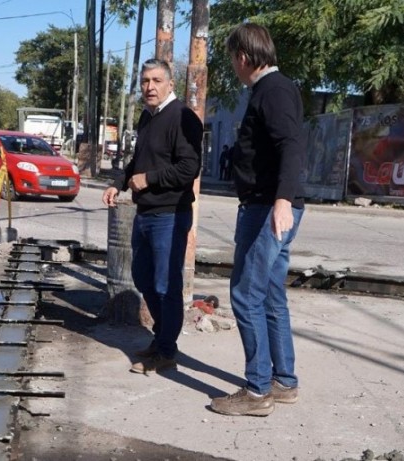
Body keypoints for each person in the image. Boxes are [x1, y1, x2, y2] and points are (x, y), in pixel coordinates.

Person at [209, 23, 307, 417]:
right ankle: (283, 382)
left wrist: (282, 200)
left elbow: (291, 145)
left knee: (245, 294)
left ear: (243, 57)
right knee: (268, 294)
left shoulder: (274, 90)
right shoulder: (271, 90)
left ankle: (257, 391)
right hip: (269, 204)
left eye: (233, 57)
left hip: (269, 207)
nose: (233, 64)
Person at [101, 58, 202, 374]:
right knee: (143, 277)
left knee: (165, 285)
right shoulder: (148, 117)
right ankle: (161, 340)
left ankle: (166, 351)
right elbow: (137, 161)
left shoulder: (183, 117)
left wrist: (150, 179)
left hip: (170, 214)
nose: (149, 87)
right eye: (145, 81)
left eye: (157, 80)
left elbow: (190, 167)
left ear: (171, 84)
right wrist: (118, 183)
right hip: (145, 213)